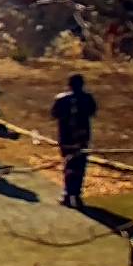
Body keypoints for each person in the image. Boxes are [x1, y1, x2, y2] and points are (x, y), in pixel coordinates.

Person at [51, 74, 97, 208]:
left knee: (68, 165)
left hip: (66, 137)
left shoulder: (61, 99)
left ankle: (67, 194)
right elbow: (92, 112)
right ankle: (76, 194)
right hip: (82, 137)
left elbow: (54, 114)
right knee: (80, 166)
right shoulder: (88, 98)